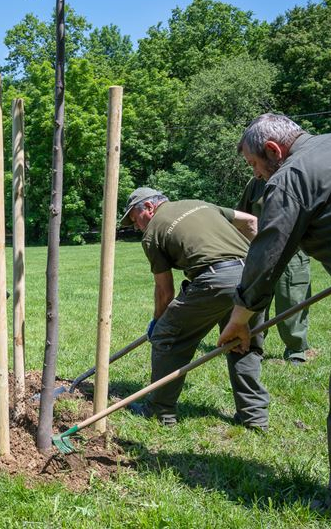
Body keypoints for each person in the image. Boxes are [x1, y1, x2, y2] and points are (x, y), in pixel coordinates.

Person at [218, 113, 331, 507]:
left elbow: (268, 255)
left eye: (253, 165)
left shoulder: (289, 176)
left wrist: (239, 319)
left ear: (273, 151)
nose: (257, 175)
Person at [119, 187, 269, 429]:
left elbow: (164, 292)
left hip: (214, 281)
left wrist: (158, 324)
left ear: (148, 208)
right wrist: (260, 263)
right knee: (243, 343)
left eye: (136, 220)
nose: (137, 227)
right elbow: (251, 221)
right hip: (252, 277)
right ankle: (254, 417)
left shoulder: (152, 233)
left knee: (168, 338)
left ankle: (160, 411)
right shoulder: (199, 202)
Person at [236, 177, 314, 364]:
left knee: (292, 300)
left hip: (294, 252)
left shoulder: (299, 178)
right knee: (254, 299)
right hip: (260, 252)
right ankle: (252, 346)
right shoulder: (255, 183)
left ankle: (296, 349)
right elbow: (242, 214)